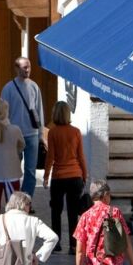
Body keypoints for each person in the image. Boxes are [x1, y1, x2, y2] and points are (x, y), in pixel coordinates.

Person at [43, 101, 88, 253]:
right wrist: (84, 175)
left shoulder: (53, 132)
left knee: (56, 211)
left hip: (58, 177)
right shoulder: (76, 131)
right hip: (75, 175)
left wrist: (46, 176)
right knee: (73, 212)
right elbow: (81, 156)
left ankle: (56, 243)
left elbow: (50, 157)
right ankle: (73, 245)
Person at [1, 57, 45, 196]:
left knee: (30, 171)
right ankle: (13, 200)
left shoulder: (34, 87)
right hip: (14, 135)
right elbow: (3, 113)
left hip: (32, 134)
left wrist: (41, 133)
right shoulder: (8, 88)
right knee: (13, 170)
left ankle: (26, 201)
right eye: (25, 67)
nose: (28, 70)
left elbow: (39, 110)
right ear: (16, 68)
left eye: (29, 67)